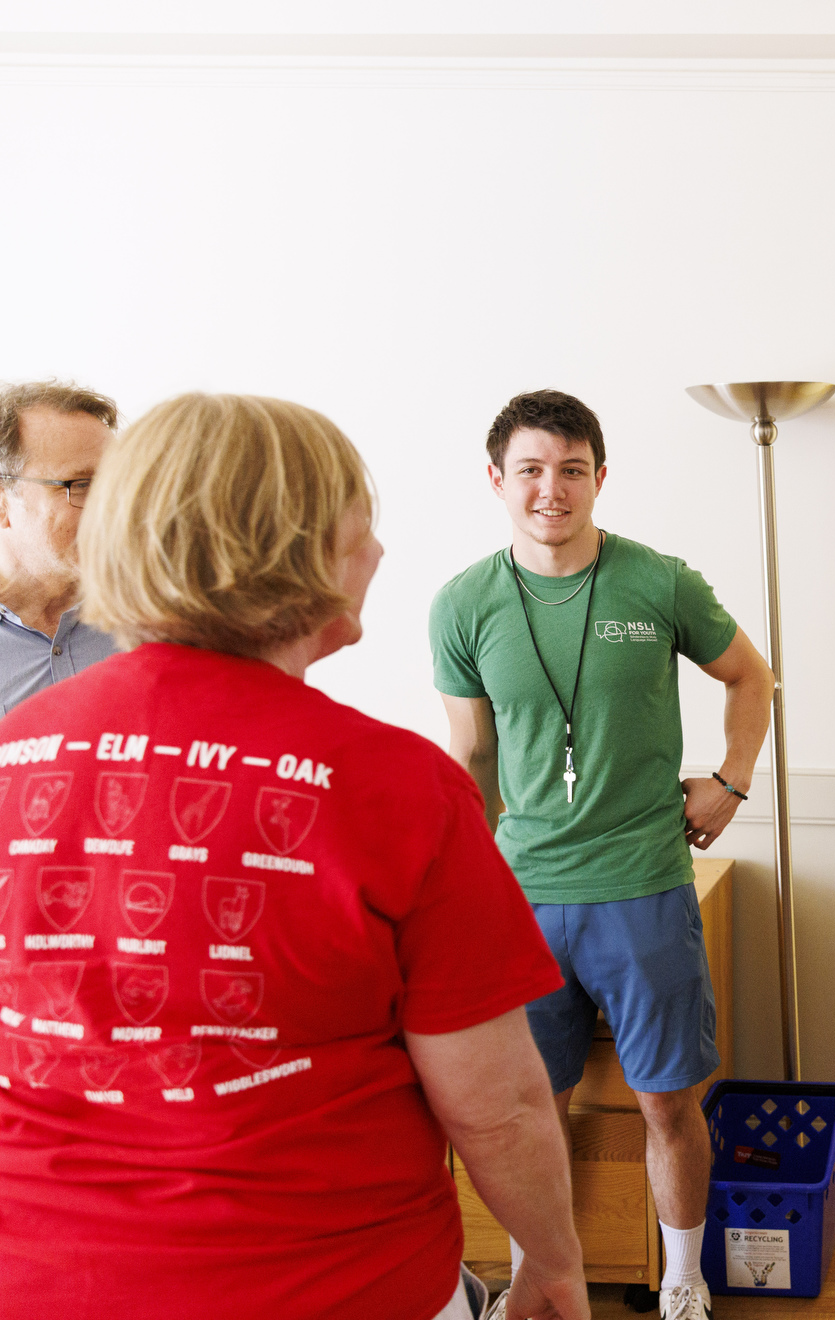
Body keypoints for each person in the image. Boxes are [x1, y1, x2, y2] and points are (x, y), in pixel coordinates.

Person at [0, 393, 589, 1320]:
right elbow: (501, 1107)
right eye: (363, 523)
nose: (381, 553)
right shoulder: (401, 789)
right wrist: (554, 1266)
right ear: (293, 549)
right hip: (333, 1283)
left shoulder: (14, 752)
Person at [430, 389, 774, 1320]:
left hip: (645, 889)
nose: (553, 489)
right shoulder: (463, 603)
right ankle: (535, 1284)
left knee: (668, 1104)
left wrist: (732, 780)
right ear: (497, 480)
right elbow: (470, 757)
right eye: (532, 470)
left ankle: (683, 1282)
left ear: (600, 478)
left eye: (572, 469)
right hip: (523, 903)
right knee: (523, 1117)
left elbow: (750, 673)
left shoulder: (656, 580)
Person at [0, 380, 121, 710]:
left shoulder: (154, 623)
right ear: (3, 505)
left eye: (114, 483)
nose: (109, 506)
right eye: (80, 484)